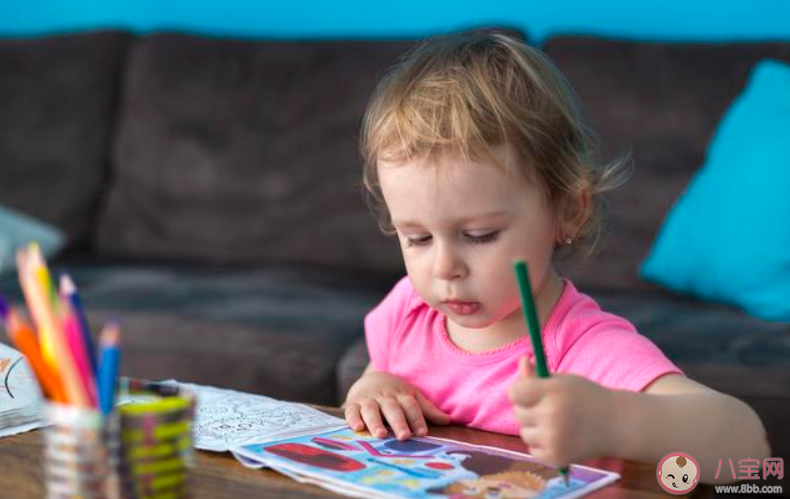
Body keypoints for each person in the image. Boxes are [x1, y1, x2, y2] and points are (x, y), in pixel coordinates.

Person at [343, 28, 769, 484]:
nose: (444, 268)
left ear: (567, 211)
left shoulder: (581, 347)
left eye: (481, 234)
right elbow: (379, 372)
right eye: (418, 239)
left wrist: (615, 420)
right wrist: (372, 389)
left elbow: (749, 450)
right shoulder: (408, 309)